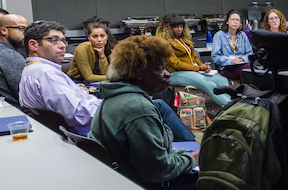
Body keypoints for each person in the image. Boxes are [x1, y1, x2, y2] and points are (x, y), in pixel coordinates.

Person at [89, 35, 227, 190]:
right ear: (138, 72)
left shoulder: (115, 98)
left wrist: (184, 158)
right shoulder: (138, 108)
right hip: (140, 188)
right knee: (208, 175)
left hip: (120, 180)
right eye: (160, 69)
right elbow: (159, 170)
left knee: (191, 168)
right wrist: (191, 158)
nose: (167, 74)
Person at [19, 20, 195, 140]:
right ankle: (190, 149)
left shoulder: (33, 70)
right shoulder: (45, 74)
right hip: (93, 131)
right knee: (153, 107)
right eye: (54, 40)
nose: (63, 45)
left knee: (153, 105)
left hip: (91, 123)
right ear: (33, 45)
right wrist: (112, 108)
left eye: (63, 40)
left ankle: (183, 146)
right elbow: (79, 114)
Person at [156, 13, 230, 107]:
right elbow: (176, 65)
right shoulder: (164, 43)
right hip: (175, 74)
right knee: (209, 84)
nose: (179, 29)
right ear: (168, 28)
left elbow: (194, 56)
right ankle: (231, 108)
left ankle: (231, 104)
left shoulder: (183, 39)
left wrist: (204, 66)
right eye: (176, 27)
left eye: (181, 26)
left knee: (222, 80)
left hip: (191, 71)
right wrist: (199, 68)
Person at [0, 13, 29, 106]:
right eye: (22, 29)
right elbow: (27, 96)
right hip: (20, 113)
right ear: (3, 31)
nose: (27, 35)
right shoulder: (9, 56)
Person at [67, 18, 117, 82]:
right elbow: (88, 77)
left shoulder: (108, 47)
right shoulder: (82, 49)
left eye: (102, 36)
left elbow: (105, 74)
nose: (99, 40)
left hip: (95, 82)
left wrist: (102, 55)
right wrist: (114, 78)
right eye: (95, 36)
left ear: (107, 36)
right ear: (89, 37)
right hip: (76, 81)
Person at [212, 9, 252, 81]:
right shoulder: (219, 35)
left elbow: (250, 53)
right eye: (233, 19)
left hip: (242, 65)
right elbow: (216, 57)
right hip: (226, 68)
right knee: (249, 70)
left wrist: (242, 59)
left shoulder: (243, 35)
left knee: (253, 70)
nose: (235, 22)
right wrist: (232, 60)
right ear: (227, 21)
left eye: (237, 20)